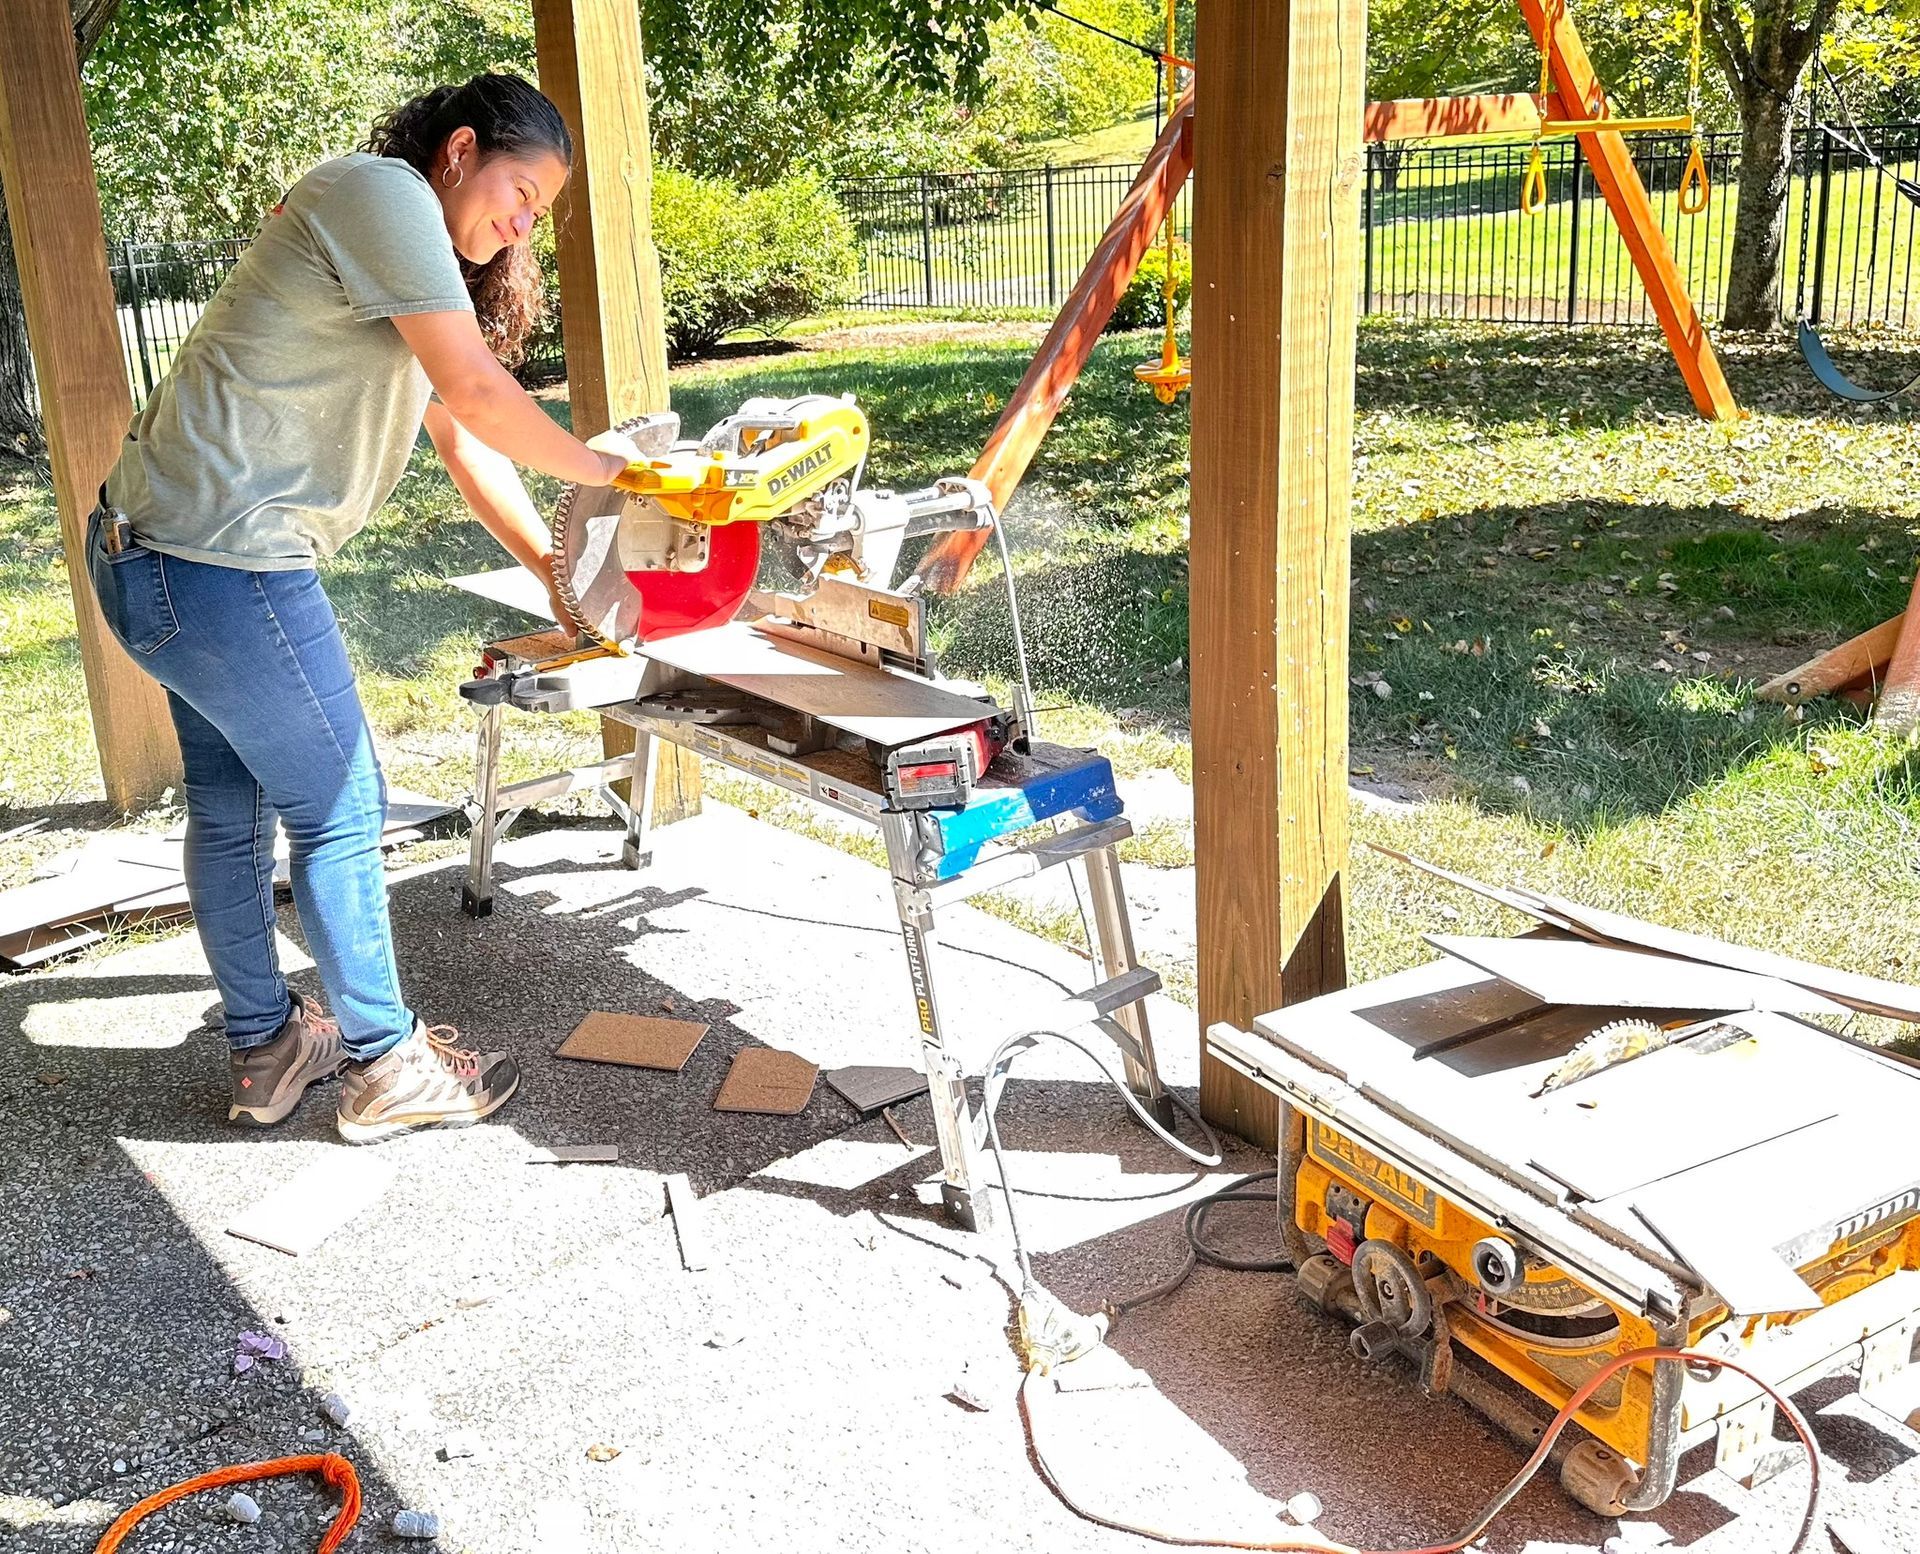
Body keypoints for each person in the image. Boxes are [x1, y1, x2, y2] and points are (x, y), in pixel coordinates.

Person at [88, 73, 634, 1142]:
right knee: (339, 805)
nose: (525, 222)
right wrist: (622, 479)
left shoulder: (397, 248)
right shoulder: (381, 193)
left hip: (155, 560)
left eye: (540, 213)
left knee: (232, 809)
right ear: (461, 149)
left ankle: (268, 1048)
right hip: (221, 565)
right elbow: (480, 392)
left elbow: (463, 433)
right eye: (521, 190)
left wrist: (559, 575)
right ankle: (386, 1060)